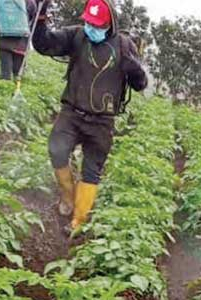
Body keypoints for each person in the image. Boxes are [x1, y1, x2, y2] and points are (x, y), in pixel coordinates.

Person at [32, 0, 148, 233]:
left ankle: (79, 220)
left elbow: (140, 84)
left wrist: (134, 69)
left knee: (91, 170)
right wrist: (41, 15)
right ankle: (67, 197)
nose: (91, 27)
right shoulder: (77, 36)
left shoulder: (124, 46)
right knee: (57, 150)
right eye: (88, 22)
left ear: (110, 23)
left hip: (102, 121)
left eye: (97, 24)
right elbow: (43, 45)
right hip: (72, 112)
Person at [0, 0, 38, 80]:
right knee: (18, 73)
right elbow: (32, 14)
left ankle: (4, 86)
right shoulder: (29, 1)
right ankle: (16, 87)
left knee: (5, 73)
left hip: (4, 37)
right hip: (22, 39)